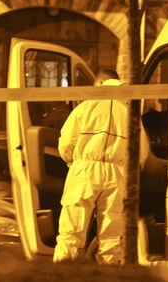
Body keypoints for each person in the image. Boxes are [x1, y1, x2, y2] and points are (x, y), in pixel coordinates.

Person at [53, 68, 148, 264]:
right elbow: (142, 151)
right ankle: (110, 274)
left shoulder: (85, 106)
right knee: (112, 236)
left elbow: (65, 143)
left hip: (84, 170)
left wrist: (73, 161)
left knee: (71, 231)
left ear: (100, 83)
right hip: (117, 174)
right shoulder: (129, 112)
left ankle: (63, 274)